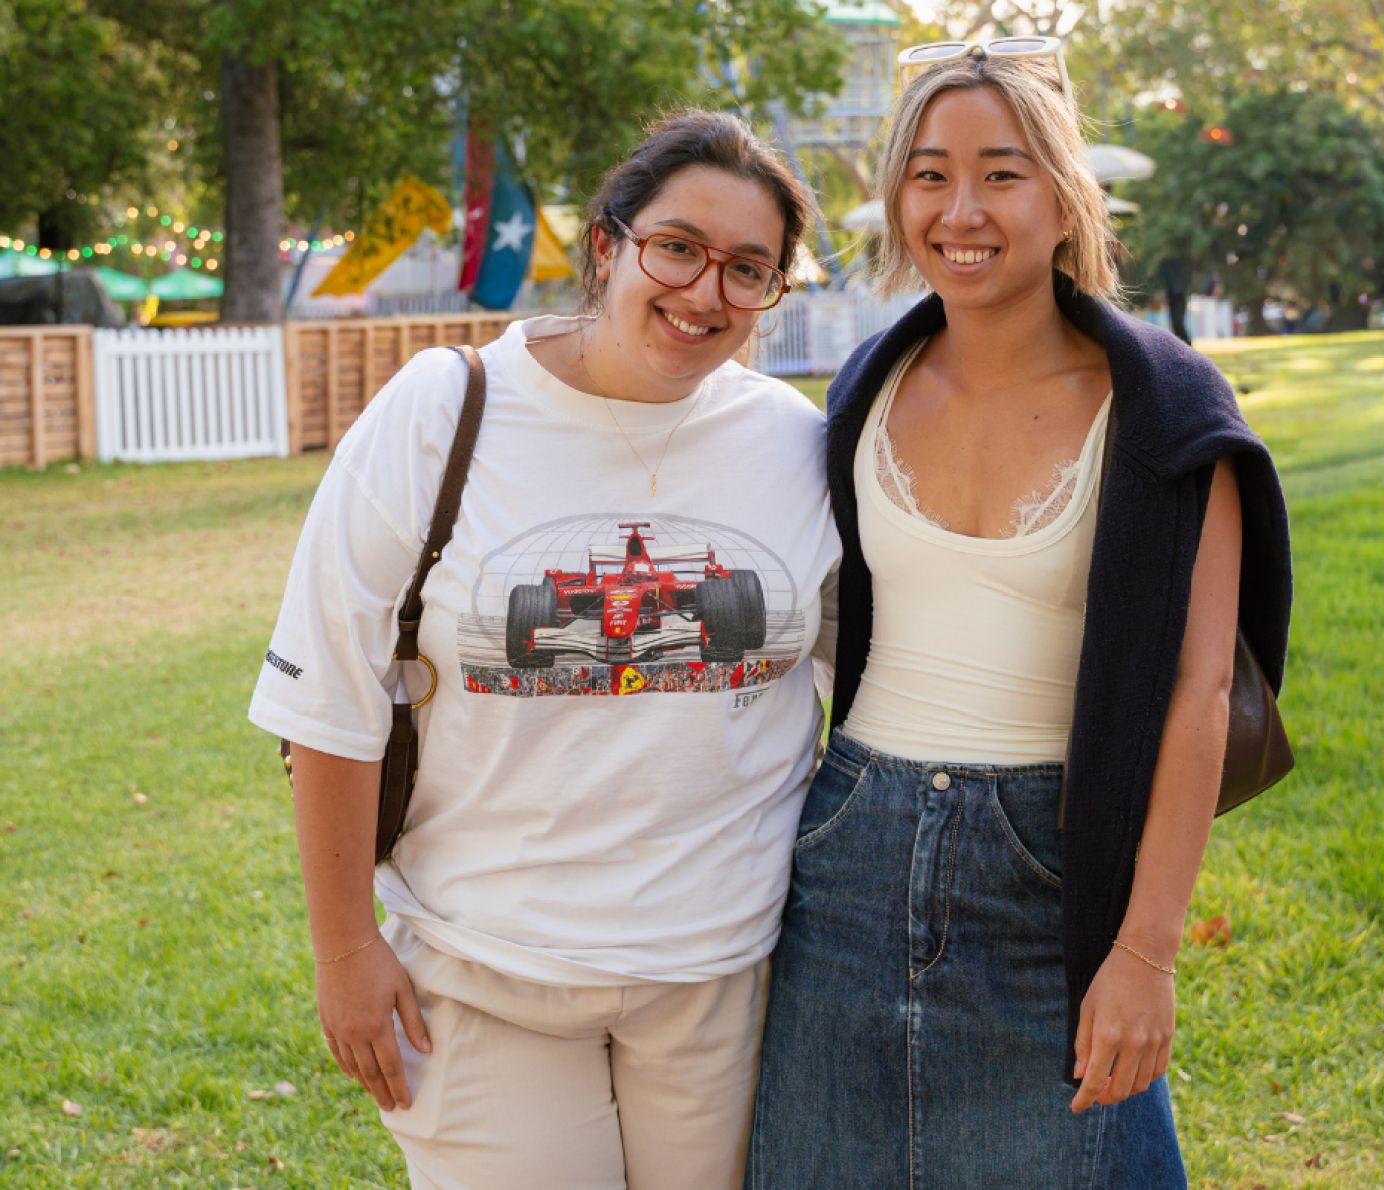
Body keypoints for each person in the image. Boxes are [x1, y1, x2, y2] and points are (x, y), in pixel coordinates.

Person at [248, 110, 841, 1189]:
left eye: (749, 269)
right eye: (679, 247)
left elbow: (861, 684)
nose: (706, 291)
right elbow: (327, 692)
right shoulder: (445, 409)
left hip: (722, 975)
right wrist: (342, 949)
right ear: (608, 244)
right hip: (482, 971)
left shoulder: (795, 444)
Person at [747, 42, 1291, 1188]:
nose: (963, 208)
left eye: (1002, 172)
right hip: (847, 848)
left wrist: (1146, 948)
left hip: (1053, 861)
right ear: (899, 199)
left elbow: (1198, 689)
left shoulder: (1166, 407)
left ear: (1062, 197)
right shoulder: (862, 389)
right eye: (931, 173)